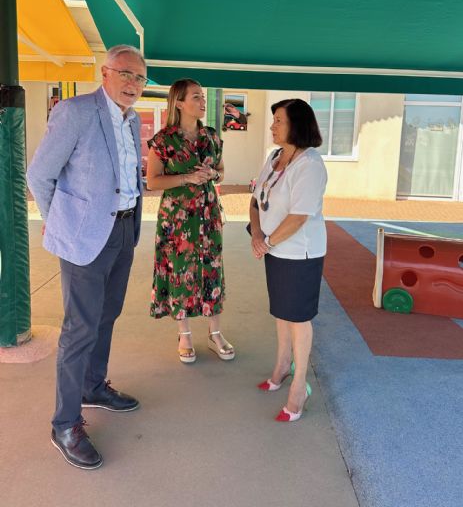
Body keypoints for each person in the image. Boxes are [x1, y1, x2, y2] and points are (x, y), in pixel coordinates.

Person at [27, 44, 146, 469]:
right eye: (126, 73)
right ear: (105, 73)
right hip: (84, 238)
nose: (133, 83)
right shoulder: (76, 112)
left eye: (140, 77)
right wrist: (58, 219)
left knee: (107, 315)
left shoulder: (131, 122)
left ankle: (94, 386)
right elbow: (40, 174)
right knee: (79, 328)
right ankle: (64, 423)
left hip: (125, 228)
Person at [249, 98, 327, 422]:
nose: (272, 126)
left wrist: (265, 241)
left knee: (298, 318)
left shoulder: (310, 164)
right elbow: (256, 199)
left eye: (278, 120)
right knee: (281, 312)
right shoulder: (274, 157)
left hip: (299, 253)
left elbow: (298, 218)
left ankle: (299, 386)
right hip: (272, 248)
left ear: (296, 124)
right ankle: (282, 365)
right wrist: (257, 236)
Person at [146, 78, 234, 363]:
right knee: (180, 270)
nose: (202, 101)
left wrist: (213, 175)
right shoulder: (163, 140)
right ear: (179, 103)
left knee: (211, 269)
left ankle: (215, 333)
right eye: (196, 96)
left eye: (203, 96)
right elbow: (152, 182)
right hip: (178, 217)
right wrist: (186, 178)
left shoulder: (211, 136)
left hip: (208, 214)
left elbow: (221, 170)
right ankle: (184, 335)